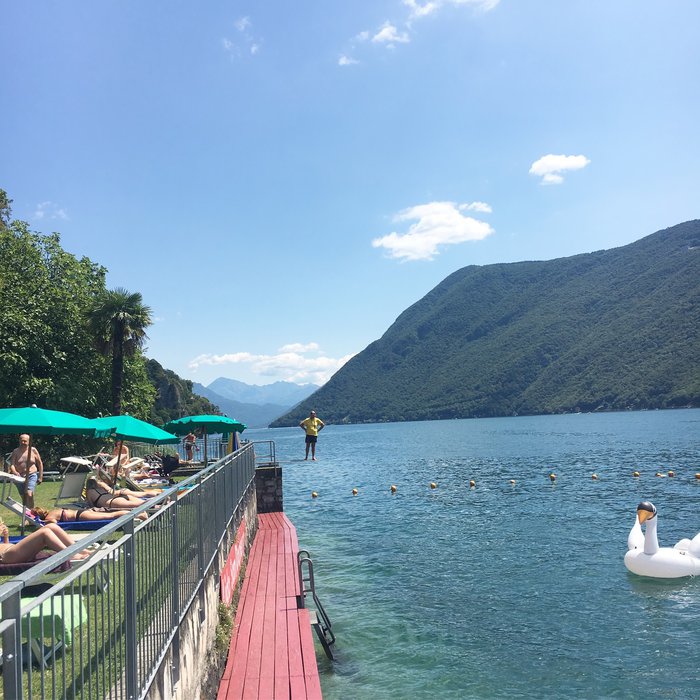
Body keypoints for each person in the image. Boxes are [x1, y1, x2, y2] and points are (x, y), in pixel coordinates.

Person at [0, 518, 90, 564]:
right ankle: (70, 555)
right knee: (44, 533)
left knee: (51, 526)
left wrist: (6, 536)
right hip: (7, 556)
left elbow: (4, 545)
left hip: (11, 550)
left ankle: (80, 549)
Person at [8, 433, 43, 509]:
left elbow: (40, 463)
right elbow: (12, 465)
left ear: (29, 441)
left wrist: (40, 476)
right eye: (21, 441)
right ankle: (26, 513)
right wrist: (15, 472)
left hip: (31, 475)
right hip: (19, 476)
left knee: (29, 494)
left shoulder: (33, 450)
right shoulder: (16, 451)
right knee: (24, 497)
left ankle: (31, 513)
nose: (23, 442)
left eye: (25, 441)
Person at [84, 477, 155, 510]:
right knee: (143, 502)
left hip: (113, 502)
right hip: (118, 497)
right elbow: (112, 492)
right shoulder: (101, 487)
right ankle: (157, 502)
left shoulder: (89, 492)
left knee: (141, 504)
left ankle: (155, 503)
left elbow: (91, 506)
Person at [34, 505, 148, 524]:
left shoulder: (49, 517)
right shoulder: (52, 511)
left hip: (81, 516)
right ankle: (138, 513)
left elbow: (53, 522)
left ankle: (139, 514)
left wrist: (43, 521)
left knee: (111, 515)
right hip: (81, 513)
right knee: (111, 514)